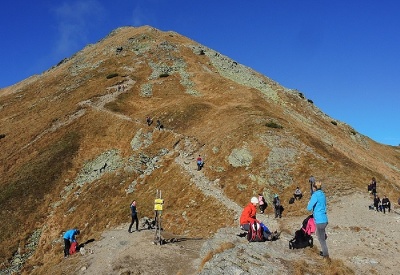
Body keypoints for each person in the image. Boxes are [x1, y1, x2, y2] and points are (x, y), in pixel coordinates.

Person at [307, 181, 329, 258]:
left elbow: (309, 208)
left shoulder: (315, 195)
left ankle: (326, 255)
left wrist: (309, 203)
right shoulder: (323, 194)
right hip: (325, 219)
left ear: (314, 188)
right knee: (320, 235)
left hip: (319, 220)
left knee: (321, 239)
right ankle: (325, 251)